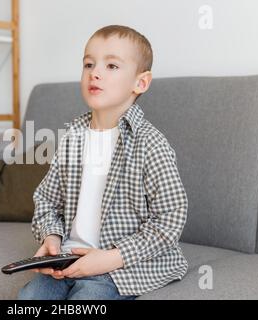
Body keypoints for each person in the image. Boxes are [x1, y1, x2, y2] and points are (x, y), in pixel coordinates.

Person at [18, 25, 188, 300]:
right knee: (30, 298)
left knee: (88, 299)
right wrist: (51, 238)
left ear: (140, 83)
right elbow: (47, 200)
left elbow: (170, 219)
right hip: (67, 259)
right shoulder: (72, 136)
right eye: (89, 64)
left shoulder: (150, 144)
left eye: (111, 65)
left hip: (118, 266)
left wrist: (111, 258)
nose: (95, 72)